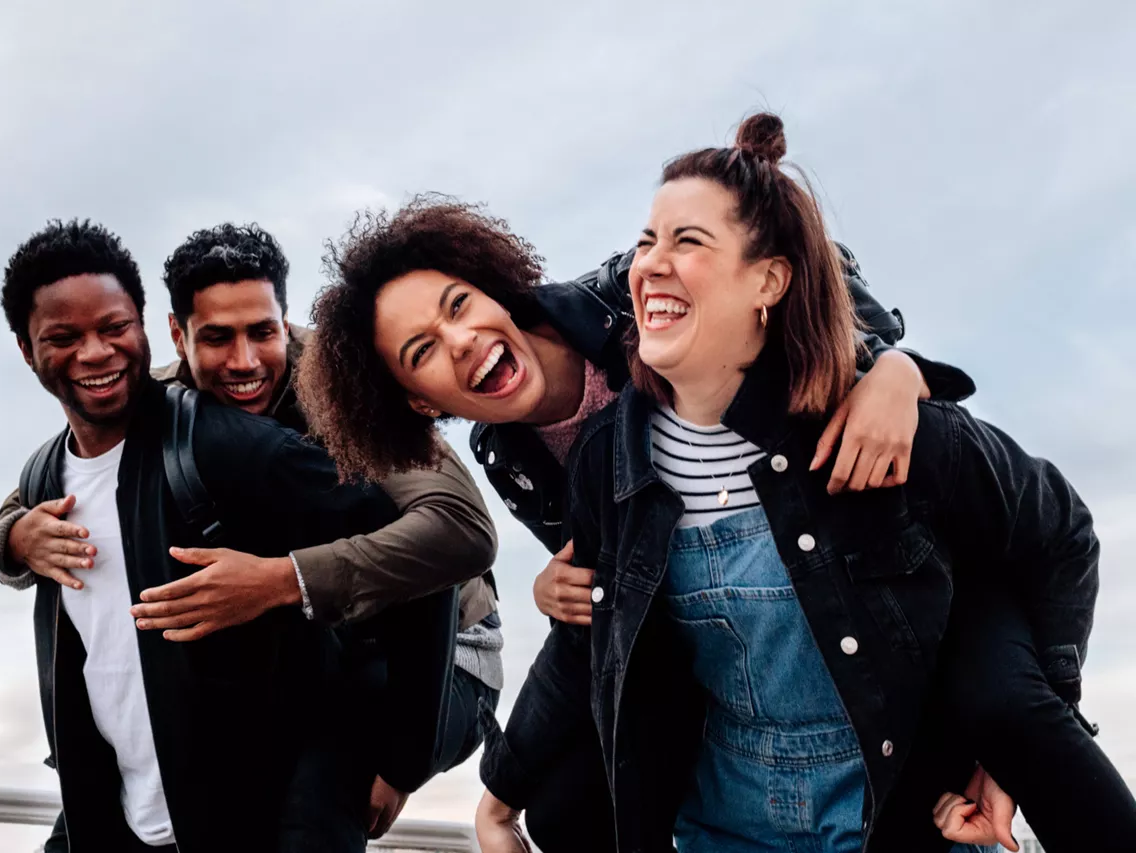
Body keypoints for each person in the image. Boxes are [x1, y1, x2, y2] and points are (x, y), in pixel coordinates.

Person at [475, 113, 1134, 852]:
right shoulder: (611, 462)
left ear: (768, 279)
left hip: (900, 822)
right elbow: (583, 646)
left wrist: (1030, 729)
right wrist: (498, 797)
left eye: (688, 241)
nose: (651, 263)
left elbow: (1064, 533)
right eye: (645, 242)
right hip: (723, 828)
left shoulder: (886, 430)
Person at [296, 196, 973, 851]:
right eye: (423, 352)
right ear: (418, 399)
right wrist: (554, 587)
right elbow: (610, 580)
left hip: (833, 571)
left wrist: (889, 364)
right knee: (564, 804)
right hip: (714, 640)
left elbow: (812, 258)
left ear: (492, 289)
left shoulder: (624, 288)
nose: (463, 340)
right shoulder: (505, 457)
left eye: (460, 305)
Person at [0, 220, 477, 852]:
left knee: (311, 797)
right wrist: (14, 538)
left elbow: (453, 535)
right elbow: (42, 492)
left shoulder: (349, 393)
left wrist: (399, 761)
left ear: (285, 319)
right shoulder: (155, 400)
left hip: (444, 652)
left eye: (262, 332)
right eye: (217, 337)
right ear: (176, 335)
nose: (244, 362)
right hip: (322, 641)